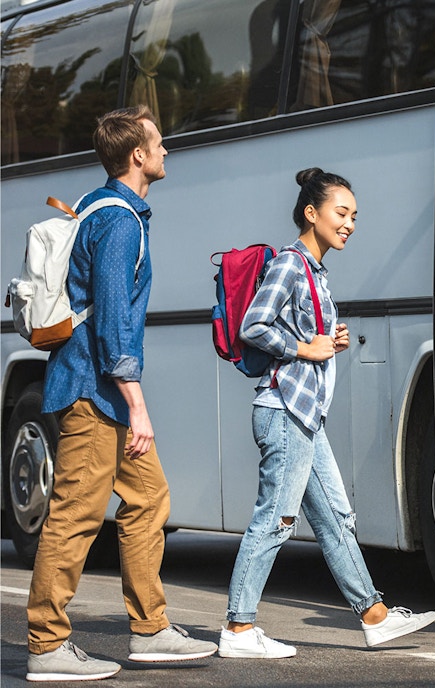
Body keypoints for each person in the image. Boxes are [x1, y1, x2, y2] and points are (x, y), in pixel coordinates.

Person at [27, 105, 218, 682]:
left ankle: (152, 629)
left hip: (98, 390)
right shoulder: (118, 223)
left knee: (149, 498)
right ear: (137, 155)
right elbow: (112, 324)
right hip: (93, 392)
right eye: (159, 144)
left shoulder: (103, 208)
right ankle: (45, 644)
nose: (166, 151)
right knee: (75, 517)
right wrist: (138, 406)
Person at [219, 168, 435, 658]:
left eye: (354, 216)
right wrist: (304, 348)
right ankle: (237, 629)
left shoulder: (316, 270)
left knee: (337, 519)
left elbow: (304, 336)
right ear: (311, 213)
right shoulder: (291, 264)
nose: (350, 224)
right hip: (284, 412)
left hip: (305, 416)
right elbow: (255, 325)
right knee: (274, 519)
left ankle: (375, 616)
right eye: (342, 213)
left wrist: (327, 342)